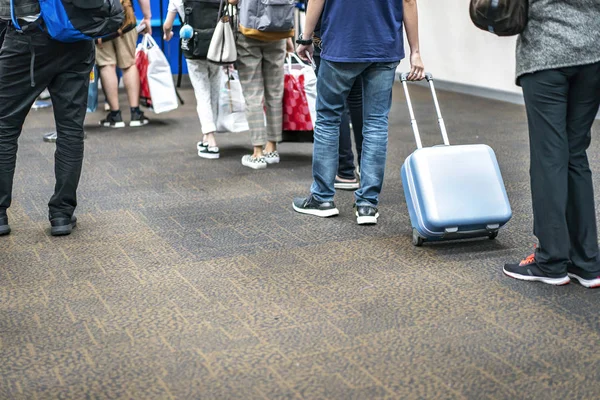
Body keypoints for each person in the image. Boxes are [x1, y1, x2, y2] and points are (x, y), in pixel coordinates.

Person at [293, 0, 425, 225]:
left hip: (342, 43)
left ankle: (322, 198)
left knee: (328, 119)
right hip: (384, 46)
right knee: (376, 123)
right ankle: (367, 205)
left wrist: (306, 37)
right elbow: (408, 1)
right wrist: (415, 51)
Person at [503, 1, 600, 287]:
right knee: (575, 154)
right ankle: (587, 263)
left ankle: (552, 261)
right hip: (593, 53)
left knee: (550, 157)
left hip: (547, 54)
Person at [0, 0, 94, 236]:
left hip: (26, 39)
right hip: (76, 36)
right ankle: (61, 213)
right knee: (70, 129)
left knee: (4, 126)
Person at [229, 0, 292, 170]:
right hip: (277, 31)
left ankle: (258, 152)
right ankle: (272, 147)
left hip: (248, 32)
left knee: (253, 93)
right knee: (275, 91)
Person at [310, 4, 363, 191]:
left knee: (333, 109)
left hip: (329, 37)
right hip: (366, 35)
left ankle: (346, 172)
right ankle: (365, 169)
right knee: (359, 104)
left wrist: (305, 37)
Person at [163, 0, 222, 159]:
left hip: (194, 48)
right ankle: (209, 134)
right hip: (217, 46)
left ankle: (210, 138)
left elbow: (167, 25)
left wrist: (167, 34)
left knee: (202, 93)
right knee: (215, 91)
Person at [97, 0, 152, 129]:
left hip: (99, 20)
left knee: (107, 65)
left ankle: (115, 116)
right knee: (129, 64)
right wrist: (147, 17)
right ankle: (135, 114)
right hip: (124, 15)